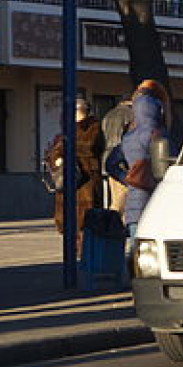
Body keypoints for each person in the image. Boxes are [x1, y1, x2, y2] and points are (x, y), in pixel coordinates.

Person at [106, 80, 171, 238]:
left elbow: (110, 164)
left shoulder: (129, 137)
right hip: (156, 201)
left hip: (133, 203)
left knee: (134, 250)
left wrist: (127, 178)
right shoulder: (160, 135)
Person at [44, 96, 105, 257]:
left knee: (84, 222)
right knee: (69, 222)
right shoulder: (66, 131)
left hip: (86, 183)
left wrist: (66, 147)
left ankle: (83, 254)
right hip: (68, 182)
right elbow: (54, 151)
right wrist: (57, 156)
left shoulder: (93, 128)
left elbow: (90, 147)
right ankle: (74, 252)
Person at [101, 93, 133, 215]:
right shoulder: (131, 115)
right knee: (122, 201)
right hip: (123, 161)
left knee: (115, 198)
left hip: (108, 157)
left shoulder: (108, 115)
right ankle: (114, 226)